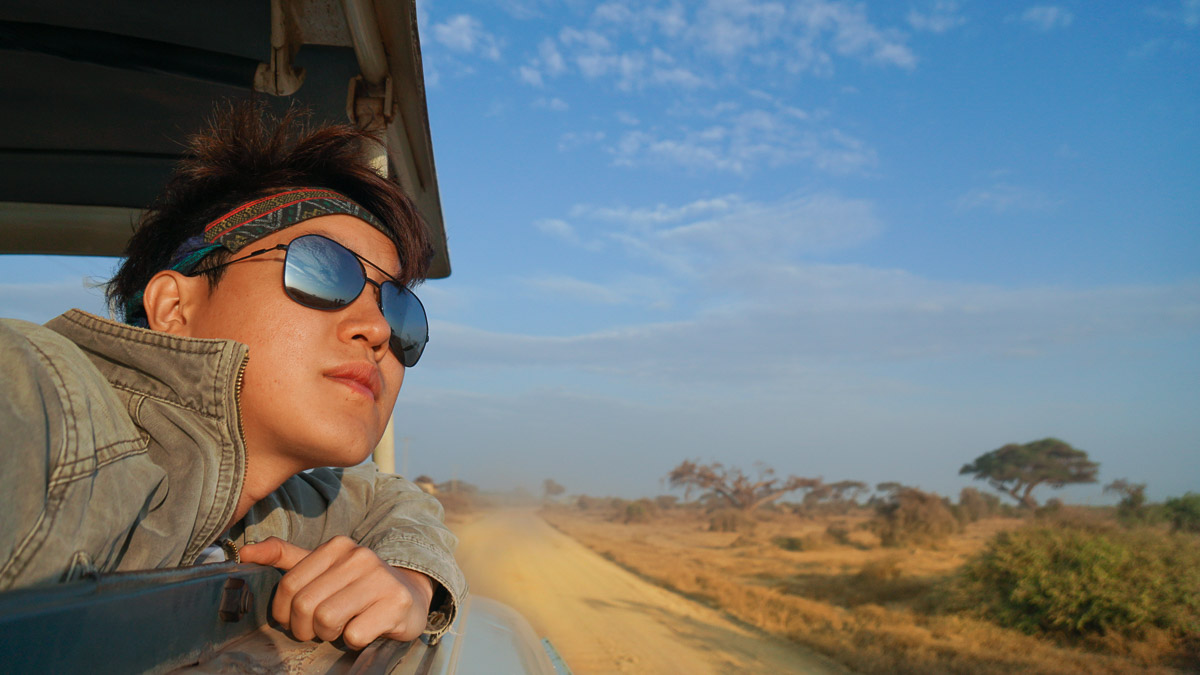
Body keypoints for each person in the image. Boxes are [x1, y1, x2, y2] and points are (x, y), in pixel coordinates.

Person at [0, 102, 466, 649]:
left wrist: (411, 580)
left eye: (399, 310)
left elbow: (395, 502)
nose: (378, 330)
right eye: (323, 271)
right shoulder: (44, 405)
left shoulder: (270, 501)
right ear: (175, 307)